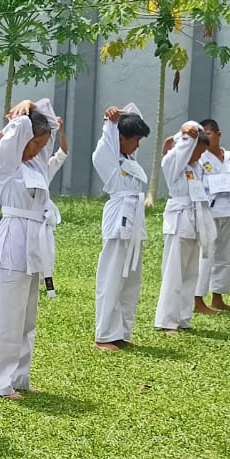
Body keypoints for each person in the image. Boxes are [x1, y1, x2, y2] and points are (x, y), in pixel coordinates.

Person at [0, 99, 58, 399]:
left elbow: (50, 117)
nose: (38, 149)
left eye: (42, 144)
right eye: (34, 143)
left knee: (27, 317)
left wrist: (36, 106)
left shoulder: (36, 164)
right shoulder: (1, 163)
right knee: (5, 317)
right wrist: (24, 114)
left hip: (34, 244)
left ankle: (19, 377)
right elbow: (21, 131)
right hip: (12, 240)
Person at [92, 105, 153, 351]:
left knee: (131, 280)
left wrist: (123, 116)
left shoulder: (130, 160)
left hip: (134, 221)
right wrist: (110, 122)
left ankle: (121, 331)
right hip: (119, 219)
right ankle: (104, 334)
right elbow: (103, 148)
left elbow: (135, 111)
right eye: (135, 139)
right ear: (120, 139)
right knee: (112, 277)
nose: (138, 145)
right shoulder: (107, 159)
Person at [154, 122, 213, 333]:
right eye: (198, 150)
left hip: (196, 220)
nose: (199, 156)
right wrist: (186, 132)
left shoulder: (196, 168)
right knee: (174, 272)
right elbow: (180, 143)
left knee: (190, 273)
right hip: (179, 220)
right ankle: (166, 320)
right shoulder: (172, 163)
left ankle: (182, 317)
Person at [193, 118, 230, 314]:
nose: (206, 138)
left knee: (226, 256)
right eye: (202, 134)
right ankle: (197, 299)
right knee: (205, 255)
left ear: (218, 134)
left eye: (208, 134)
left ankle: (218, 297)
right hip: (209, 210)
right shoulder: (199, 157)